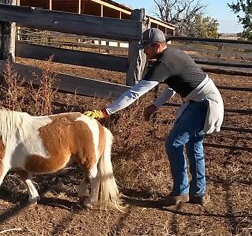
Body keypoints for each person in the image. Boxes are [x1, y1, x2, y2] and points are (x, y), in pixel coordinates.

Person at [84, 28, 224, 206]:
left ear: (157, 46)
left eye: (146, 48)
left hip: (202, 103)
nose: (144, 51)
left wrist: (105, 111)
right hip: (205, 100)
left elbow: (135, 93)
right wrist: (155, 105)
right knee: (194, 145)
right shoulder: (173, 55)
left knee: (174, 143)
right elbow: (173, 86)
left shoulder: (163, 63)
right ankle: (198, 192)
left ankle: (181, 192)